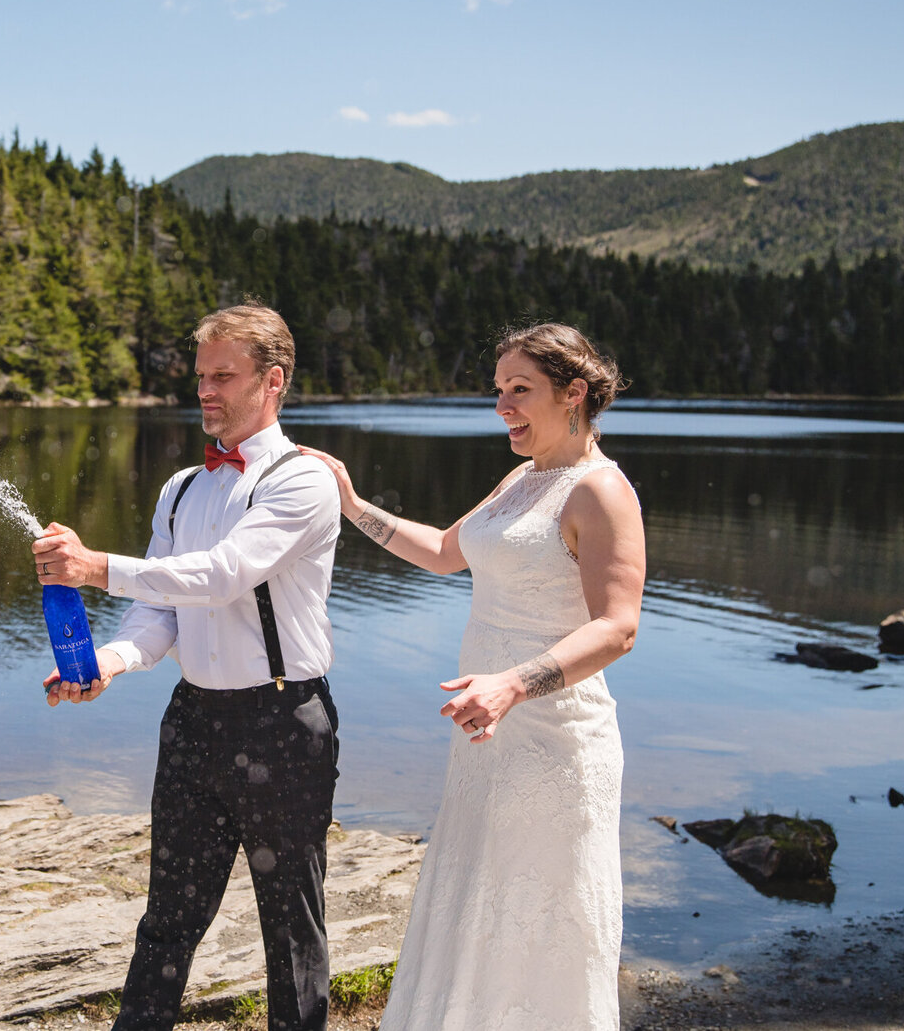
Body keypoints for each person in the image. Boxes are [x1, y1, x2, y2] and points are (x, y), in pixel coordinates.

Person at [301, 322, 645, 1031]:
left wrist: (513, 683)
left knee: (542, 922)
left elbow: (618, 627)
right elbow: (444, 552)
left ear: (573, 393)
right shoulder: (524, 477)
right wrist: (353, 504)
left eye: (521, 390)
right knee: (475, 900)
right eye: (498, 390)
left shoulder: (601, 492)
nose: (502, 407)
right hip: (489, 735)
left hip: (556, 742)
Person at [33, 302, 342, 1031]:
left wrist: (95, 565)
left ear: (272, 380)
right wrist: (106, 660)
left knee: (291, 930)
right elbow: (163, 612)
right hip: (194, 720)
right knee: (166, 918)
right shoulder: (180, 488)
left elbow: (221, 575)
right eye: (201, 375)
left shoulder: (303, 481)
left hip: (282, 722)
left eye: (223, 376)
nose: (205, 390)